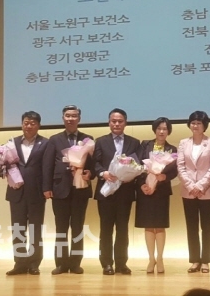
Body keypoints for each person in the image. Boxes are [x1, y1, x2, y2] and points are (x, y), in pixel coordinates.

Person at [42, 105, 94, 275]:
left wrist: (90, 173)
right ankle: (61, 263)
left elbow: (92, 164)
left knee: (78, 227)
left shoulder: (88, 139)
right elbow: (48, 165)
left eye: (74, 116)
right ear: (63, 118)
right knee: (61, 228)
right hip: (60, 189)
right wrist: (47, 187)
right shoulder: (54, 139)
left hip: (81, 189)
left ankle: (76, 262)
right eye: (68, 116)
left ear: (79, 118)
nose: (71, 119)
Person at [93, 108, 141, 275]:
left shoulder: (134, 142)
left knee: (122, 228)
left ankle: (121, 263)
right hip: (106, 191)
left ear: (125, 123)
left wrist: (130, 175)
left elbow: (137, 164)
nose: (117, 124)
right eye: (114, 121)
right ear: (109, 122)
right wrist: (103, 173)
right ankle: (106, 263)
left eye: (120, 121)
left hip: (125, 191)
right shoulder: (100, 141)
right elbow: (95, 163)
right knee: (105, 229)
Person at [5, 111, 49, 276]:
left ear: (38, 125)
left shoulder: (45, 143)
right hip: (16, 192)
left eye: (32, 123)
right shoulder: (12, 143)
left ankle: (34, 263)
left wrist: (46, 189)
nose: (29, 126)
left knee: (35, 230)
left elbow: (47, 168)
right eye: (26, 123)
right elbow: (5, 164)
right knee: (18, 229)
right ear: (22, 124)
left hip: (36, 192)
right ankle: (20, 263)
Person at [177, 110, 210, 274]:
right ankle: (195, 260)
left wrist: (200, 186)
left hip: (207, 190)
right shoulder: (183, 143)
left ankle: (206, 260)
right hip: (188, 191)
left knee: (207, 227)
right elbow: (180, 166)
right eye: (193, 123)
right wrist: (190, 185)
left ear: (204, 125)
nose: (195, 126)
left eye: (199, 123)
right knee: (191, 226)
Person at [135, 117, 178, 274]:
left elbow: (174, 171)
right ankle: (151, 259)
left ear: (168, 131)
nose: (161, 131)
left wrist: (164, 177)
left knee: (159, 225)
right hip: (145, 191)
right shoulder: (145, 145)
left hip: (161, 192)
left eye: (165, 129)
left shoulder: (172, 149)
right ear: (154, 130)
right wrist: (143, 185)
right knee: (148, 225)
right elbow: (137, 166)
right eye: (159, 128)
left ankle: (160, 258)